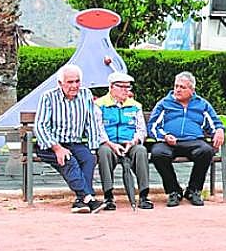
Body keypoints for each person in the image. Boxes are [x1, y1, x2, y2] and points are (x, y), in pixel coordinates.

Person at [33, 64, 106, 214]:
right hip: (50, 144)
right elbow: (40, 126)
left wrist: (93, 149)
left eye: (77, 81)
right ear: (60, 83)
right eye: (70, 82)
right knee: (69, 160)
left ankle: (80, 202)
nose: (74, 86)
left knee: (88, 159)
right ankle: (88, 198)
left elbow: (91, 122)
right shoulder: (48, 97)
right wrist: (57, 148)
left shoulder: (86, 95)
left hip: (75, 142)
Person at [147, 71, 226, 207]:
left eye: (182, 87)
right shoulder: (164, 103)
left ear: (192, 90)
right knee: (158, 154)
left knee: (206, 151)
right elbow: (153, 126)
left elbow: (214, 122)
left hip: (194, 141)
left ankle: (193, 190)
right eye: (176, 86)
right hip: (169, 142)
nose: (177, 90)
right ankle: (174, 191)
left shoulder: (202, 104)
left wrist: (219, 130)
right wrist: (164, 136)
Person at [95, 71, 152, 210]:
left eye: (128, 87)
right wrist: (111, 144)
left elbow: (141, 130)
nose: (126, 90)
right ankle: (108, 197)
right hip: (109, 143)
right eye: (122, 87)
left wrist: (133, 141)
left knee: (141, 151)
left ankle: (144, 196)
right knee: (104, 152)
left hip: (129, 144)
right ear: (111, 87)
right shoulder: (99, 105)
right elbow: (98, 129)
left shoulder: (135, 106)